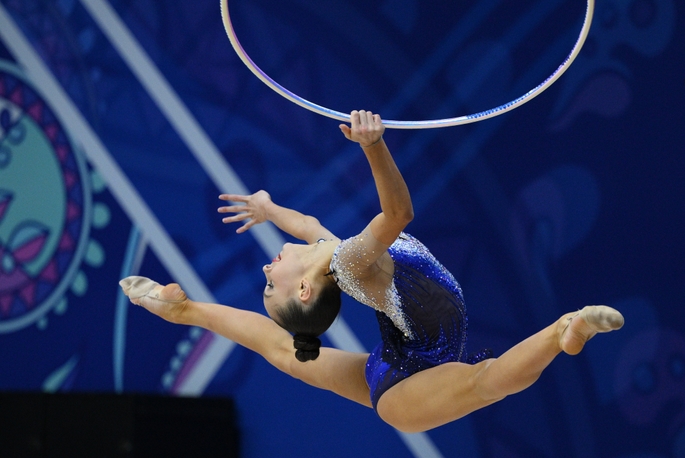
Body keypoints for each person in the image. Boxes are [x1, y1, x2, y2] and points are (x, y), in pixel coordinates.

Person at [120, 110, 623, 433]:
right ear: (303, 289)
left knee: (284, 354)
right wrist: (373, 146)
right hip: (406, 395)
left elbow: (308, 226)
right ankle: (565, 329)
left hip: (398, 361)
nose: (266, 266)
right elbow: (398, 213)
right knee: (485, 383)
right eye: (271, 284)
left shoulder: (331, 252)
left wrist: (269, 209)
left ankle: (185, 311)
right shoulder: (351, 265)